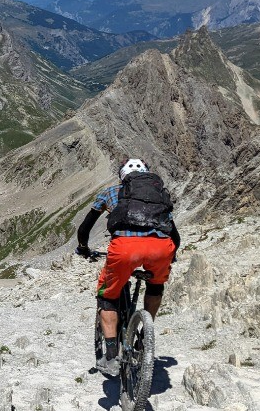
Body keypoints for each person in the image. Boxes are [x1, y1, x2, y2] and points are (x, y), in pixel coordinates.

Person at [74, 158, 180, 377]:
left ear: (122, 176)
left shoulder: (110, 193)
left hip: (125, 248)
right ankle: (143, 335)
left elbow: (85, 227)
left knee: (107, 296)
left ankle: (111, 354)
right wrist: (171, 255)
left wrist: (83, 247)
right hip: (161, 248)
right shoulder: (157, 195)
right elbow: (174, 234)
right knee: (155, 286)